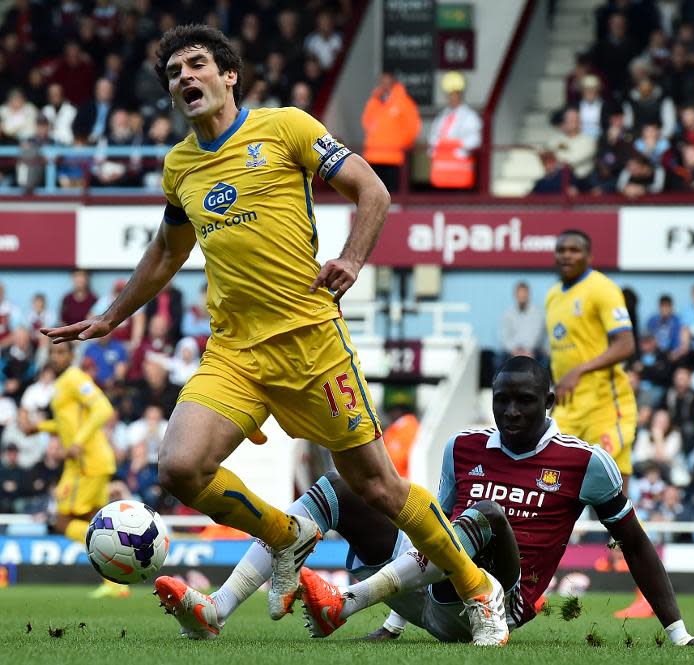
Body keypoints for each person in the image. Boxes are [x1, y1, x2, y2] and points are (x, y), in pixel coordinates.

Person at [42, 24, 505, 643]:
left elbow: (373, 189)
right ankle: (286, 535)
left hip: (311, 344)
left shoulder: (285, 127)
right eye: (174, 72)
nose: (185, 77)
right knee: (180, 467)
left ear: (229, 75)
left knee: (379, 487)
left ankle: (479, 589)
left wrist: (352, 258)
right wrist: (111, 316)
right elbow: (165, 250)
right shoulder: (180, 166)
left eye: (197, 63)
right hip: (235, 351)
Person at [152, 357, 694, 648]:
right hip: (434, 598)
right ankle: (218, 609)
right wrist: (395, 621)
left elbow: (637, 544)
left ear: (549, 404)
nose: (511, 412)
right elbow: (423, 530)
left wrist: (681, 637)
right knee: (342, 484)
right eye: (502, 400)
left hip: (499, 604)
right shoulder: (463, 446)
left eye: (524, 402)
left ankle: (347, 601)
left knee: (484, 518)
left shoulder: (585, 462)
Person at [545, 229, 645, 618]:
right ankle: (533, 590)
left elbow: (626, 345)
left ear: (588, 254)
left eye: (574, 249)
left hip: (608, 407)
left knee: (618, 502)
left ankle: (645, 595)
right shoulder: (553, 296)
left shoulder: (603, 289)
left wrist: (580, 371)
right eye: (561, 249)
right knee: (550, 496)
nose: (566, 255)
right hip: (569, 409)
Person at [20, 341, 121, 597]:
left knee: (61, 522)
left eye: (62, 352)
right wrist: (39, 428)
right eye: (52, 352)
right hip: (87, 464)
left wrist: (77, 442)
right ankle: (115, 583)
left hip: (86, 464)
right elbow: (66, 425)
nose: (56, 357)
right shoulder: (63, 383)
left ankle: (118, 569)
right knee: (94, 522)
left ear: (72, 354)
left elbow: (103, 409)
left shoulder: (75, 378)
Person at [361, 71, 421, 193]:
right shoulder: (374, 101)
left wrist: (400, 145)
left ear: (393, 81)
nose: (384, 84)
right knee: (374, 195)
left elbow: (413, 128)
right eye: (382, 81)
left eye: (387, 80)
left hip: (395, 158)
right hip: (374, 157)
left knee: (393, 197)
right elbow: (366, 122)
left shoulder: (404, 102)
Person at [428, 71, 482, 190]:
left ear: (461, 95)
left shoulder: (470, 117)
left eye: (455, 94)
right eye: (450, 95)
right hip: (441, 176)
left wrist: (455, 147)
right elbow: (433, 139)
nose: (452, 98)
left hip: (460, 176)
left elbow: (474, 141)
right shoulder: (442, 117)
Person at [499, 281, 546, 359]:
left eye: (524, 293)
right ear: (515, 295)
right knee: (499, 358)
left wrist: (526, 351)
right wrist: (514, 351)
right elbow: (504, 337)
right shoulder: (508, 314)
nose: (522, 296)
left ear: (528, 294)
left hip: (532, 350)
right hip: (512, 351)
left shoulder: (538, 313)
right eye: (519, 293)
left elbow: (537, 336)